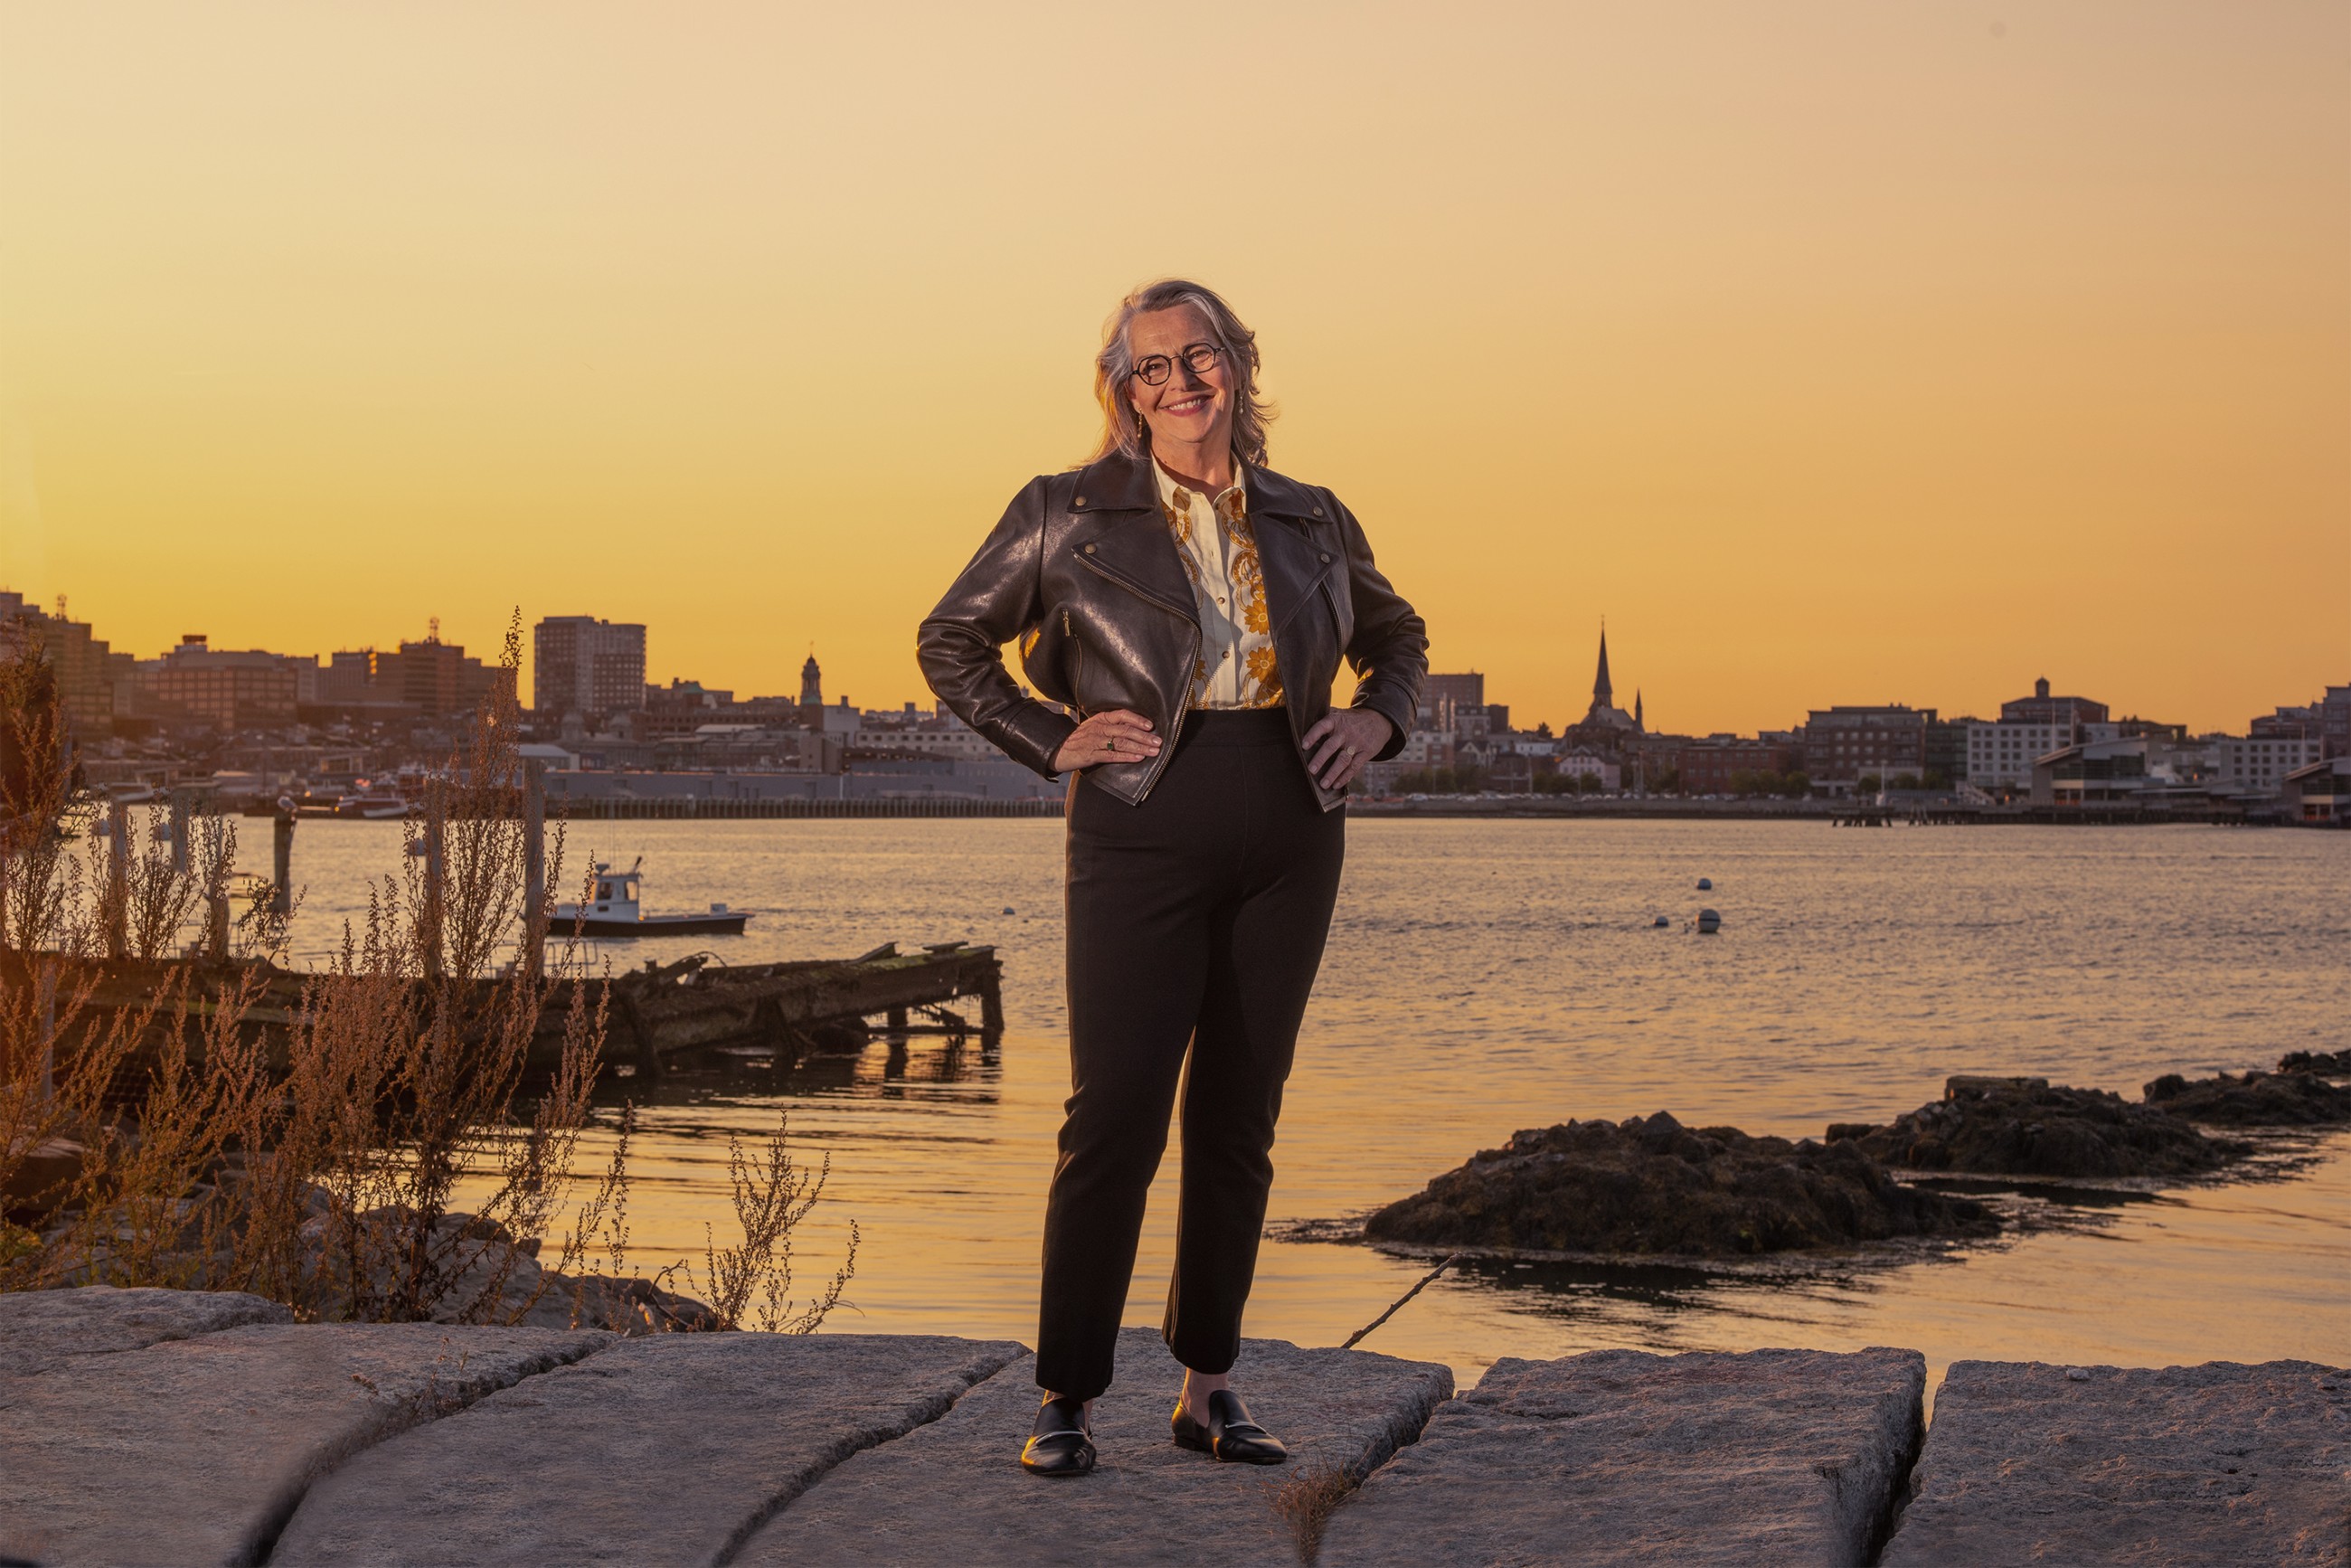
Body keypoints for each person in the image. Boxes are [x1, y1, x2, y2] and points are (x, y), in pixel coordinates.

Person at [918, 279, 1427, 1477]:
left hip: (1293, 823)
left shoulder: (1311, 518)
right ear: (1123, 390)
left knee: (1240, 1116)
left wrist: (1380, 724)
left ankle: (1209, 1387)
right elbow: (950, 640)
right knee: (1116, 1115)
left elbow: (1397, 638)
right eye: (1153, 365)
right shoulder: (1065, 512)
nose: (1182, 379)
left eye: (1201, 355)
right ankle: (1067, 1395)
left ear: (1239, 366)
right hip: (1139, 818)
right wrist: (1053, 739)